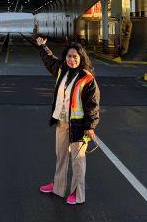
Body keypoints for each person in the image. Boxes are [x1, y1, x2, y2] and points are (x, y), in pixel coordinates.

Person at [36, 36, 100, 205]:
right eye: (69, 56)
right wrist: (43, 47)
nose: (72, 60)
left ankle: (77, 194)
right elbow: (50, 61)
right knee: (61, 156)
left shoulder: (87, 79)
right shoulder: (61, 70)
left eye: (75, 57)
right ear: (65, 57)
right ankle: (58, 186)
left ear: (81, 58)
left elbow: (92, 105)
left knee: (78, 162)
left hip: (79, 126)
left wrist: (90, 127)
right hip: (62, 122)